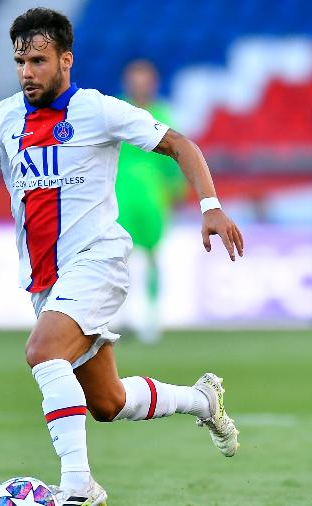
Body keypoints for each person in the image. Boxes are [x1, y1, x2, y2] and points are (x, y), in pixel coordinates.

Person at [0, 8, 244, 506]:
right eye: (19, 61)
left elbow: (179, 143)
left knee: (42, 352)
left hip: (98, 260)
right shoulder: (4, 118)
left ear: (65, 60)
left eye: (37, 60)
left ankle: (78, 487)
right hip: (45, 280)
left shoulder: (97, 110)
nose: (26, 71)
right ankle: (202, 399)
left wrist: (211, 206)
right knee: (108, 401)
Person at [114, 59, 187, 344]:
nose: (139, 86)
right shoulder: (117, 111)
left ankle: (152, 317)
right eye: (135, 80)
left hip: (154, 199)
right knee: (117, 258)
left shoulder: (163, 115)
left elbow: (176, 159)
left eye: (144, 81)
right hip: (120, 197)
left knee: (154, 255)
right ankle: (119, 315)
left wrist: (175, 192)